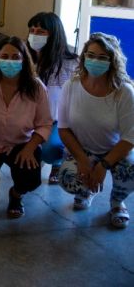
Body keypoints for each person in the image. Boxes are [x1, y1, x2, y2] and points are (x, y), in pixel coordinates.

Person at [57, 33, 134, 229]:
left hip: (115, 151)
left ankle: (117, 201)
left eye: (102, 57)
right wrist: (83, 161)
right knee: (68, 176)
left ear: (113, 61)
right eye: (90, 55)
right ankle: (86, 191)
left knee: (131, 170)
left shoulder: (124, 91)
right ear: (83, 58)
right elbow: (64, 129)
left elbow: (130, 137)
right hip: (84, 149)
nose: (94, 61)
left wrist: (103, 166)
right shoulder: (71, 86)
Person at [0, 37, 52, 218]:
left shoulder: (36, 88)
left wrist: (30, 148)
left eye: (16, 57)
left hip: (20, 143)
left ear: (24, 59)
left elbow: (45, 123)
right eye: (4, 56)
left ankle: (16, 194)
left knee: (29, 177)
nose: (10, 61)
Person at [27, 12, 79, 183]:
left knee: (51, 150)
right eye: (32, 30)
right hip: (26, 120)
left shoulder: (71, 65)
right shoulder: (24, 59)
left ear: (54, 35)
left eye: (41, 32)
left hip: (55, 122)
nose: (34, 35)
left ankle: (56, 162)